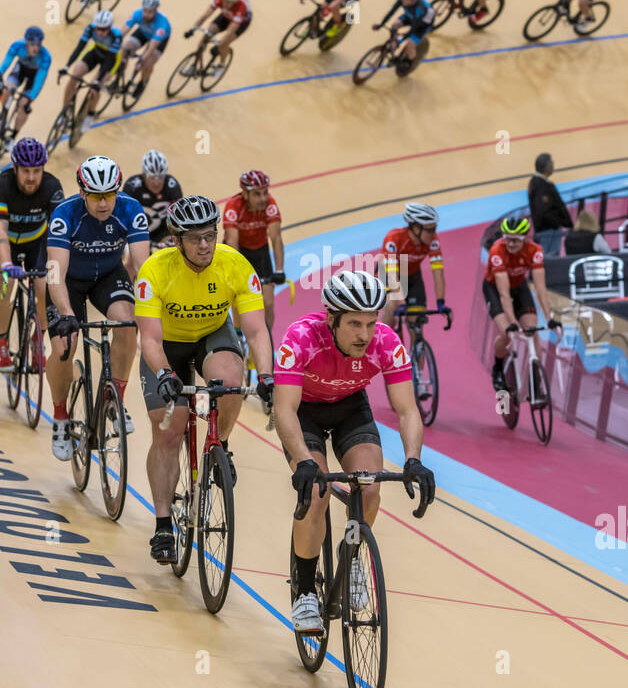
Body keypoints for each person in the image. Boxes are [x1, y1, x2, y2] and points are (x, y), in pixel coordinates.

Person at [272, 270, 435, 633]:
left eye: (371, 323)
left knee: (371, 485)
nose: (365, 334)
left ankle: (353, 557)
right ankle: (303, 589)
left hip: (349, 408)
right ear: (332, 319)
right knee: (317, 493)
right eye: (355, 324)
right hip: (305, 413)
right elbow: (283, 410)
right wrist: (302, 462)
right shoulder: (300, 338)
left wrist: (413, 460)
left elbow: (408, 410)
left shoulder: (386, 342)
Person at [135, 195, 274, 564]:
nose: (204, 245)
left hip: (211, 335)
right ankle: (164, 523)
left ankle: (220, 444)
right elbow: (148, 338)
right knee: (169, 429)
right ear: (176, 240)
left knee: (230, 381)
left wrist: (268, 377)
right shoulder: (154, 270)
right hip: (166, 346)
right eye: (194, 238)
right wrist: (164, 374)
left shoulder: (236, 266)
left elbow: (257, 331)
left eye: (210, 236)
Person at [44, 155, 150, 460]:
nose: (103, 203)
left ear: (117, 191)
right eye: (95, 196)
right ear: (82, 192)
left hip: (107, 276)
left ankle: (114, 399)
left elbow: (143, 266)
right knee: (66, 344)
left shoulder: (131, 210)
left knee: (128, 324)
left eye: (109, 195)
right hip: (69, 283)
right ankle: (61, 417)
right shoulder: (65, 215)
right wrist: (66, 313)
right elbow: (55, 273)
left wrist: (154, 306)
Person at [0, 137, 64, 374]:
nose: (31, 177)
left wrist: (56, 267)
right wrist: (7, 263)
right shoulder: (1, 184)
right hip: (5, 242)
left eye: (37, 171)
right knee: (3, 285)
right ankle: (1, 343)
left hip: (35, 244)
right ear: (15, 168)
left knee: (46, 288)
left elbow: (58, 232)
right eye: (26, 171)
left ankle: (36, 338)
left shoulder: (52, 187)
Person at [483, 216, 561, 391]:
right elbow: (504, 293)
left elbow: (541, 289)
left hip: (519, 287)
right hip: (495, 289)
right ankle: (498, 368)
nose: (510, 244)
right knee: (506, 333)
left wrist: (550, 318)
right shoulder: (497, 251)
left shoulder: (535, 250)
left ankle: (536, 382)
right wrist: (512, 322)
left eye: (515, 240)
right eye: (507, 239)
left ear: (526, 238)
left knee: (532, 329)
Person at [222, 170, 286, 332]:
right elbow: (231, 241)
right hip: (239, 252)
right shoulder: (233, 206)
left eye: (265, 192)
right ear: (245, 194)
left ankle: (266, 337)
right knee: (238, 302)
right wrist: (237, 271)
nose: (263, 198)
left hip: (260, 252)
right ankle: (239, 336)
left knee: (268, 303)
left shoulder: (270, 204)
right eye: (257, 194)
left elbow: (276, 237)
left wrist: (279, 270)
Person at [377, 202, 448, 339]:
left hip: (413, 276)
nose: (434, 233)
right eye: (429, 230)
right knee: (393, 303)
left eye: (435, 228)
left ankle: (416, 355)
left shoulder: (433, 241)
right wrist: (402, 302)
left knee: (417, 330)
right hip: (389, 274)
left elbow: (438, 273)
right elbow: (392, 277)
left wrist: (441, 301)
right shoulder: (393, 239)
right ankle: (382, 338)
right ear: (415, 228)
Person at [62, 9, 124, 121]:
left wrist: (97, 81)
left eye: (103, 29)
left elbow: (110, 60)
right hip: (95, 52)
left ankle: (90, 114)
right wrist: (67, 66)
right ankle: (64, 112)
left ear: (110, 27)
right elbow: (79, 48)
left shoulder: (116, 36)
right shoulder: (90, 28)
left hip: (111, 59)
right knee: (74, 76)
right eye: (98, 28)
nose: (100, 32)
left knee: (94, 88)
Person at [0, 27, 51, 142]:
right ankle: (3, 113)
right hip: (20, 70)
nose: (36, 47)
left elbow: (40, 80)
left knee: (24, 104)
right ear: (26, 42)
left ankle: (13, 136)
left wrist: (31, 98)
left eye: (38, 44)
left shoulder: (46, 57)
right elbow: (5, 64)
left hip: (34, 77)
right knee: (7, 88)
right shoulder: (17, 46)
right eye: (32, 44)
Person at [121, 150, 183, 248]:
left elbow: (179, 217)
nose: (156, 182)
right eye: (152, 178)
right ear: (144, 175)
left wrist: (171, 237)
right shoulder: (132, 186)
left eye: (160, 177)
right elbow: (123, 217)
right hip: (137, 231)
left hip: (162, 231)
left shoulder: (172, 186)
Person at [117, 0, 171, 105]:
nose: (146, 14)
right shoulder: (137, 14)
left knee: (148, 62)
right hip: (143, 33)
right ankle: (118, 76)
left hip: (159, 40)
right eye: (145, 10)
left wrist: (141, 60)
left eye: (150, 12)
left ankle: (143, 83)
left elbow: (151, 48)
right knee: (125, 49)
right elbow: (123, 31)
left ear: (156, 11)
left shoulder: (162, 24)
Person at [182, 0, 251, 72]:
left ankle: (222, 65)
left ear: (235, 1)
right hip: (226, 17)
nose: (225, 3)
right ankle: (194, 65)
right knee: (205, 37)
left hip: (240, 23)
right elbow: (205, 15)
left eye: (229, 2)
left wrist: (220, 44)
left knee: (223, 44)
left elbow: (230, 30)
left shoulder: (241, 7)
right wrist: (192, 29)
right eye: (225, 0)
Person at [372, 0, 435, 69]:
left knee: (410, 43)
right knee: (394, 25)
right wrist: (381, 24)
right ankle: (393, 44)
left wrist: (402, 38)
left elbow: (415, 28)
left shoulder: (421, 8)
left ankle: (409, 62)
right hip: (411, 17)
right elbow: (391, 12)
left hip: (422, 24)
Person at [528, 152, 573, 254]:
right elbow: (544, 210)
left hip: (546, 230)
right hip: (548, 231)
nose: (553, 166)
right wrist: (559, 222)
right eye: (552, 164)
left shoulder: (535, 182)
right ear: (546, 167)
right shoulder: (542, 185)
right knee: (550, 257)